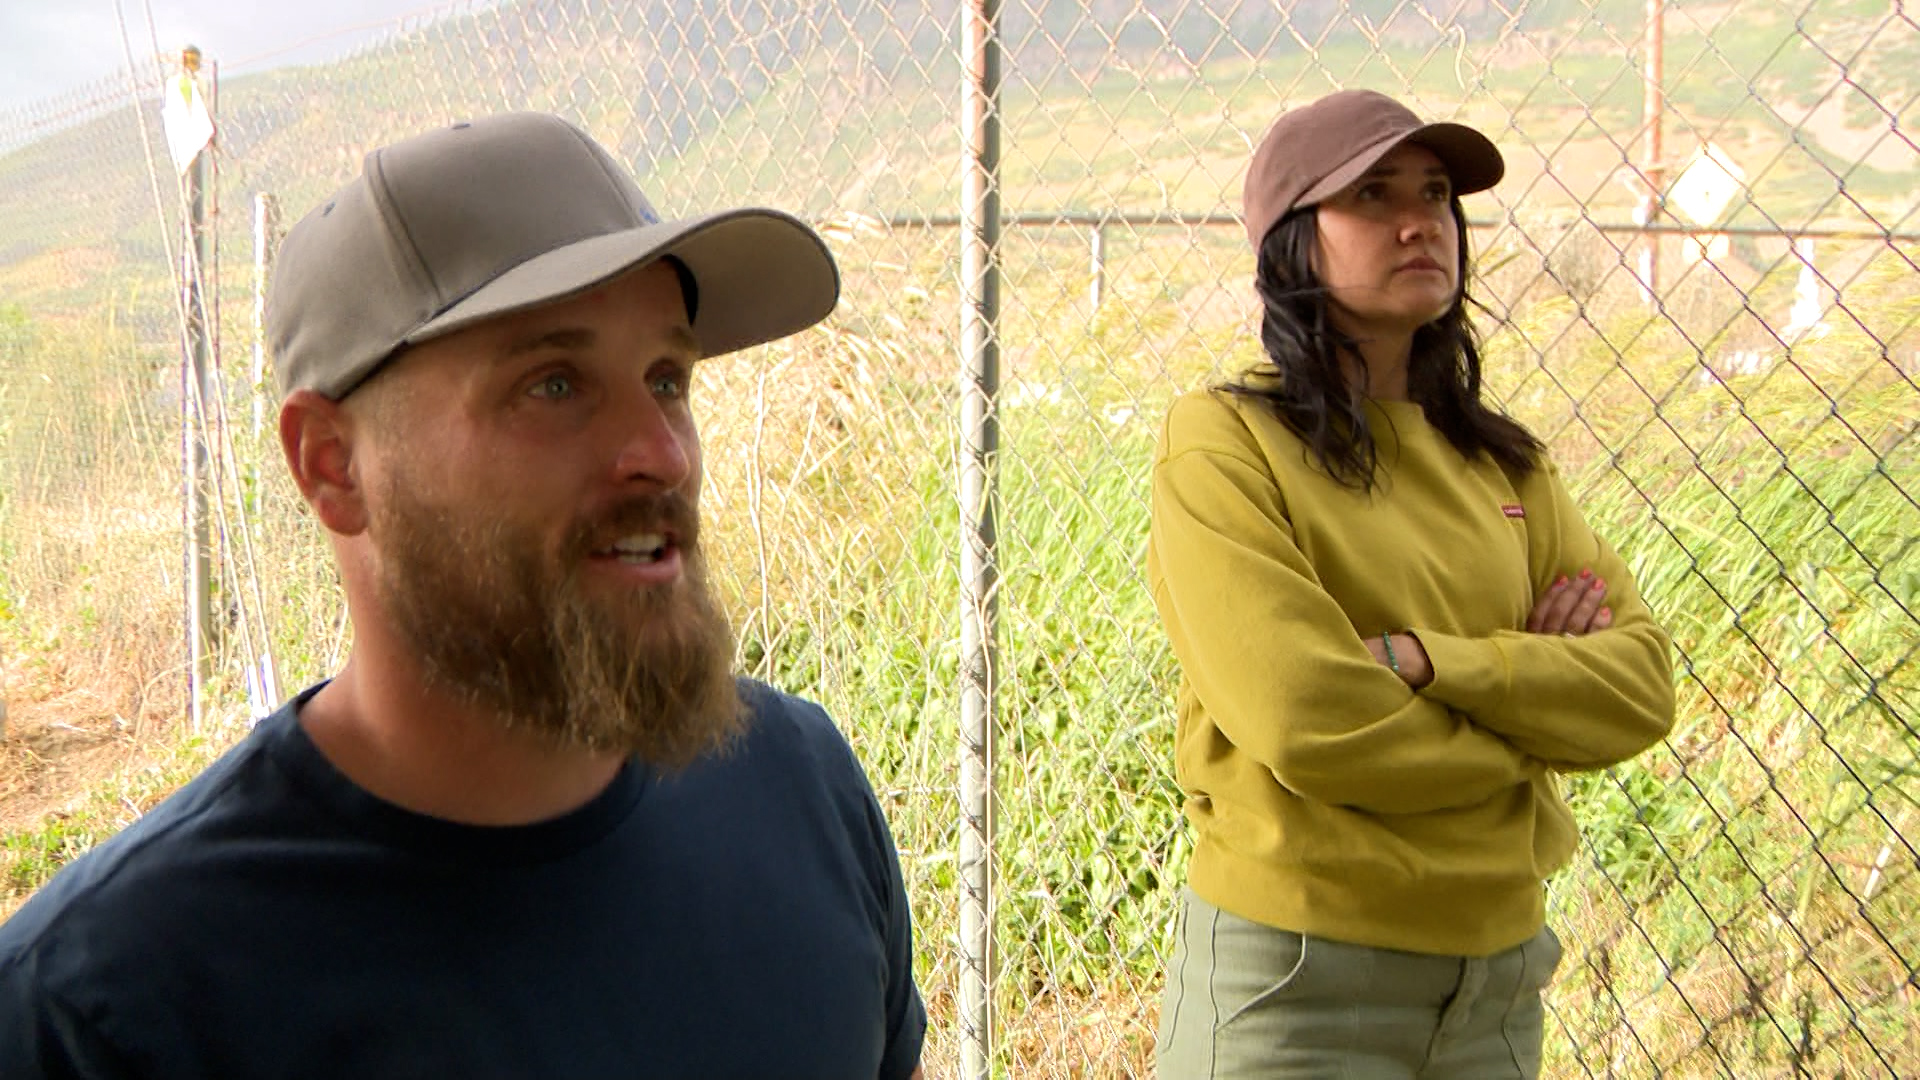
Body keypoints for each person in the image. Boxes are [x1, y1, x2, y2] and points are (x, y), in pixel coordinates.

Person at [0, 112, 926, 1079]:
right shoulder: (101, 1013)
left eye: (667, 377)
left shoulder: (799, 789)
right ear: (332, 465)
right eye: (555, 385)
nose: (660, 452)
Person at [1149, 89, 1677, 1079]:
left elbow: (1642, 687)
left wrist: (1431, 662)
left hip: (1500, 986)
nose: (1418, 220)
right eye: (1373, 194)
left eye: (1435, 194)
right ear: (1294, 240)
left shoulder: (1506, 466)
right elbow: (1307, 717)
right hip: (1297, 983)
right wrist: (1532, 722)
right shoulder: (1225, 443)